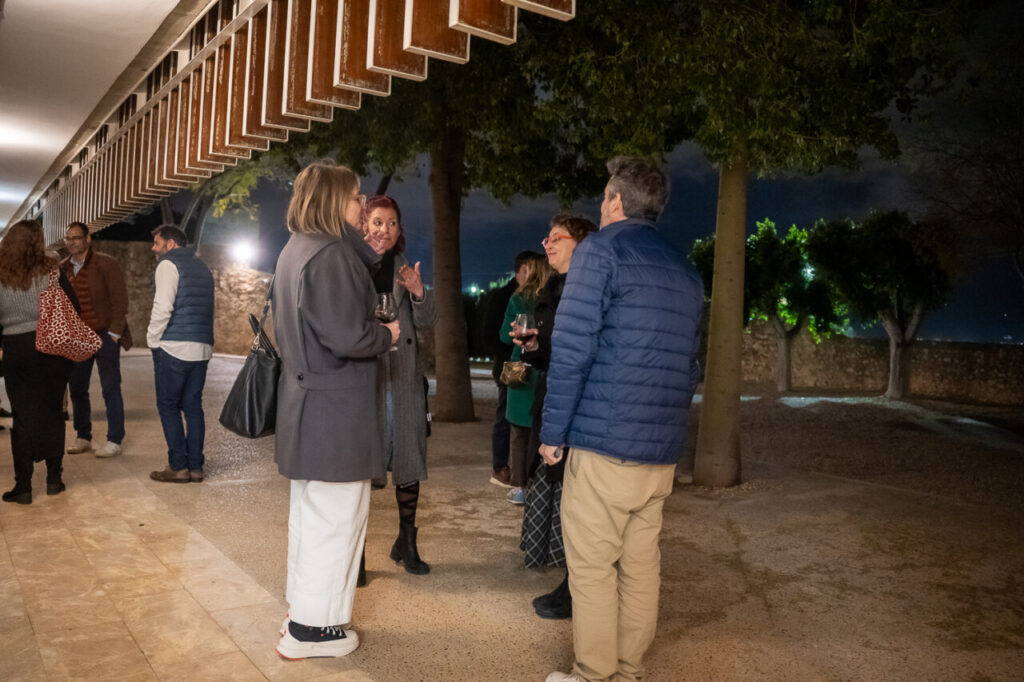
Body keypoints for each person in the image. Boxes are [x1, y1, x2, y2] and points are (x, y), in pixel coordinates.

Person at [540, 157, 703, 682]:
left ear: (614, 200)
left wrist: (553, 433)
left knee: (591, 568)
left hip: (603, 441)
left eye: (604, 194)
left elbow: (572, 350)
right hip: (658, 453)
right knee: (641, 566)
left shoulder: (600, 252)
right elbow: (690, 366)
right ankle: (628, 670)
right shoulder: (684, 270)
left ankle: (592, 673)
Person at [272, 160, 398, 660]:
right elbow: (348, 337)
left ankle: (302, 613)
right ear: (332, 200)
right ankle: (314, 630)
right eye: (355, 197)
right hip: (335, 411)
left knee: (311, 517)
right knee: (336, 521)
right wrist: (386, 334)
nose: (362, 205)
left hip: (307, 403)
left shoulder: (294, 249)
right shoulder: (331, 254)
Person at [516, 213, 597, 620]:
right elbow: (556, 354)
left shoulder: (586, 293)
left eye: (556, 238)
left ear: (580, 244)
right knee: (566, 499)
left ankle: (575, 588)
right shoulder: (556, 289)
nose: (546, 244)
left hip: (578, 412)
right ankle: (571, 581)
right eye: (546, 238)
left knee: (579, 505)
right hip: (555, 403)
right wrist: (534, 346)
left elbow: (579, 360)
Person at [361, 194, 438, 575]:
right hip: (366, 378)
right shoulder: (351, 262)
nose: (385, 230)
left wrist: (420, 293)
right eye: (377, 222)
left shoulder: (405, 267)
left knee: (408, 459)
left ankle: (407, 543)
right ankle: (355, 556)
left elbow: (427, 323)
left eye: (392, 223)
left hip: (404, 377)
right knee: (361, 467)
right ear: (364, 225)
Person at [0, 220, 78, 503]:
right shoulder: (51, 270)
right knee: (53, 411)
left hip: (16, 349)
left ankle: (23, 487)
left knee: (22, 416)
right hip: (51, 348)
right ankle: (54, 479)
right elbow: (73, 307)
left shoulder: (1, 272)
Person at [146, 225, 215, 484]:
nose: (154, 248)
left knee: (168, 406)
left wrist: (153, 340)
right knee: (193, 407)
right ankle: (196, 467)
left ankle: (178, 466)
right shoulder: (203, 268)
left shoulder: (168, 265)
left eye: (157, 243)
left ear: (171, 243)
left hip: (174, 347)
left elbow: (163, 306)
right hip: (201, 347)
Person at [61, 221, 130, 458]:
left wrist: (114, 334)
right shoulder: (63, 268)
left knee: (110, 387)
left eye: (76, 238)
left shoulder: (106, 264)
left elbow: (120, 300)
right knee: (77, 388)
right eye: (68, 239)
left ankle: (114, 439)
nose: (72, 243)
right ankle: (83, 436)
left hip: (104, 335)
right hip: (78, 338)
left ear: (87, 239)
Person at [500, 252, 551, 505]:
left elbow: (504, 335)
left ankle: (518, 486)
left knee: (518, 432)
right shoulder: (550, 299)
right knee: (539, 430)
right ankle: (539, 485)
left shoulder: (517, 299)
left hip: (520, 371)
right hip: (543, 371)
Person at [482, 251, 535, 488]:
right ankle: (500, 467)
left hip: (513, 363)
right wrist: (505, 356)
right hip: (510, 365)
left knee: (512, 416)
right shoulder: (510, 296)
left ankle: (510, 468)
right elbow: (495, 335)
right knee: (507, 416)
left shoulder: (519, 295)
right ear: (523, 269)